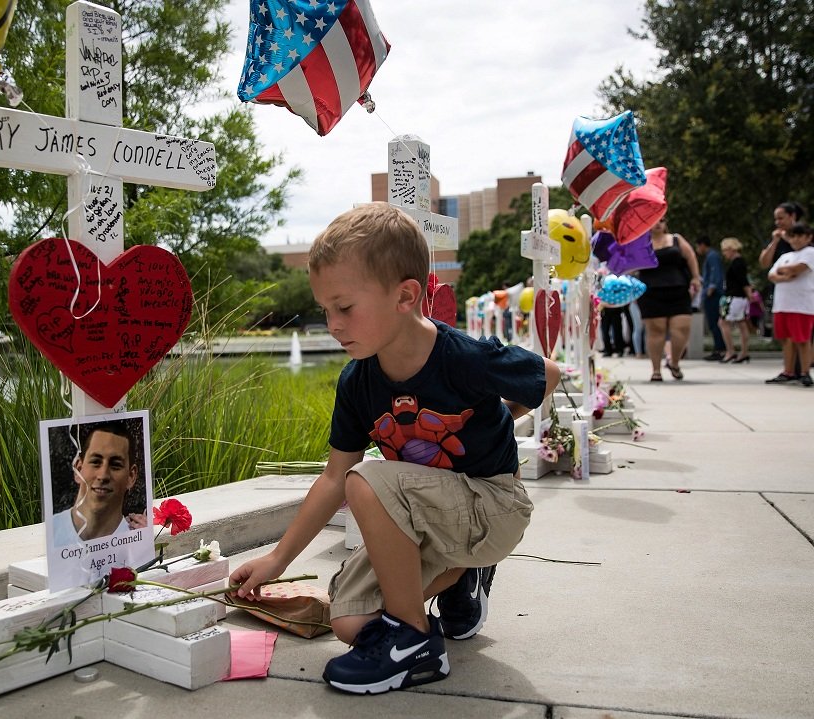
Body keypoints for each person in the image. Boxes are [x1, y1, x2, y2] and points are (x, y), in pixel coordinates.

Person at [229, 203, 560, 695]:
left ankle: (414, 642)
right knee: (349, 620)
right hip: (428, 519)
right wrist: (277, 559)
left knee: (369, 478)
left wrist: (499, 418)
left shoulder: (461, 358)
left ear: (406, 296)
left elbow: (547, 375)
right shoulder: (358, 380)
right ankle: (463, 574)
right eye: (325, 310)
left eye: (344, 307)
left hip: (493, 504)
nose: (334, 324)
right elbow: (331, 476)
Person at [53, 421, 147, 546]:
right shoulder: (51, 532)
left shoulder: (139, 538)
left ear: (131, 476)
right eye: (95, 462)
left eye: (116, 465)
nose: (103, 476)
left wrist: (145, 543)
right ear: (78, 469)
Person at [635, 218, 702, 382]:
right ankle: (656, 370)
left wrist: (695, 278)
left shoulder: (676, 239)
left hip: (678, 289)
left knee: (681, 329)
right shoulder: (641, 243)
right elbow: (631, 264)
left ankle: (675, 362)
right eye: (653, 221)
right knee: (656, 331)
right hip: (650, 291)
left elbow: (691, 256)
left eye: (662, 221)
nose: (657, 224)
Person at [765, 223, 814, 386]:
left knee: (802, 339)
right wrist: (784, 274)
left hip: (801, 305)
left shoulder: (810, 252)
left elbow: (799, 268)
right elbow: (771, 274)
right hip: (782, 304)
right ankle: (788, 370)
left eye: (800, 236)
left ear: (808, 238)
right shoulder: (785, 256)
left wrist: (783, 271)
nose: (796, 240)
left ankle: (805, 371)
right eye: (793, 236)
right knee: (786, 339)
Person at [717, 237, 754, 363]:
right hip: (739, 297)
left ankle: (730, 351)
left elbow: (743, 280)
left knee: (723, 322)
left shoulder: (737, 263)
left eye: (725, 250)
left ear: (731, 249)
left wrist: (749, 293)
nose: (724, 253)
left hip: (734, 297)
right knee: (741, 323)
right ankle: (743, 352)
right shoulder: (739, 262)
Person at [696, 237, 726, 360]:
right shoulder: (711, 256)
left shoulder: (712, 256)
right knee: (714, 322)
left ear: (702, 245)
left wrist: (711, 289)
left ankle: (719, 349)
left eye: (698, 246)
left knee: (714, 322)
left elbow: (715, 273)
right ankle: (718, 348)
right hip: (711, 292)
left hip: (713, 294)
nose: (697, 250)